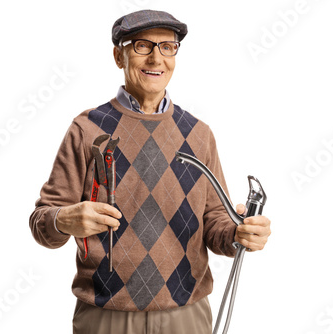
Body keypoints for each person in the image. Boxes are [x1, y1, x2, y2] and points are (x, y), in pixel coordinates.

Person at [29, 9, 271, 334]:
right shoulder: (87, 129)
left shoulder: (198, 134)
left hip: (186, 317)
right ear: (119, 55)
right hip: (105, 316)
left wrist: (240, 234)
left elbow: (216, 224)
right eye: (142, 45)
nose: (156, 58)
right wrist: (64, 219)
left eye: (167, 47)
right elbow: (42, 221)